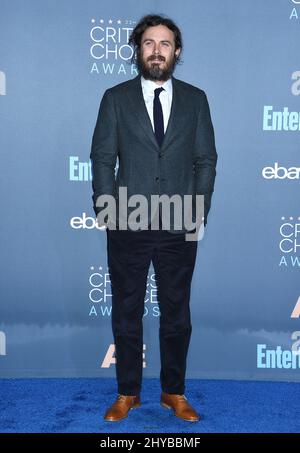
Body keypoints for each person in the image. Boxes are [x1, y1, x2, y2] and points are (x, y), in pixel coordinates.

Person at [90, 14, 217, 422]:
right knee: (127, 312)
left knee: (177, 314)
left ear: (176, 52)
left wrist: (198, 209)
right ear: (137, 50)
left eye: (165, 43)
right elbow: (103, 158)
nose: (157, 50)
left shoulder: (196, 99)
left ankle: (173, 392)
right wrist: (106, 206)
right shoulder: (115, 98)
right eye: (149, 43)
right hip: (127, 221)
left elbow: (205, 160)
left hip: (180, 223)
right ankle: (128, 393)